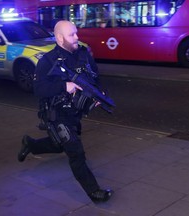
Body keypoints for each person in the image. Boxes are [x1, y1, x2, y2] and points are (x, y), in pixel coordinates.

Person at [17, 20, 113, 202]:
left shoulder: (83, 54)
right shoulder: (47, 61)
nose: (77, 37)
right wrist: (63, 86)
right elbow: (39, 89)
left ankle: (30, 144)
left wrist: (99, 94)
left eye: (76, 33)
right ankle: (94, 192)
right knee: (75, 151)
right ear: (60, 38)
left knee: (58, 145)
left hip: (74, 112)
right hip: (56, 113)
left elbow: (95, 78)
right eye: (72, 35)